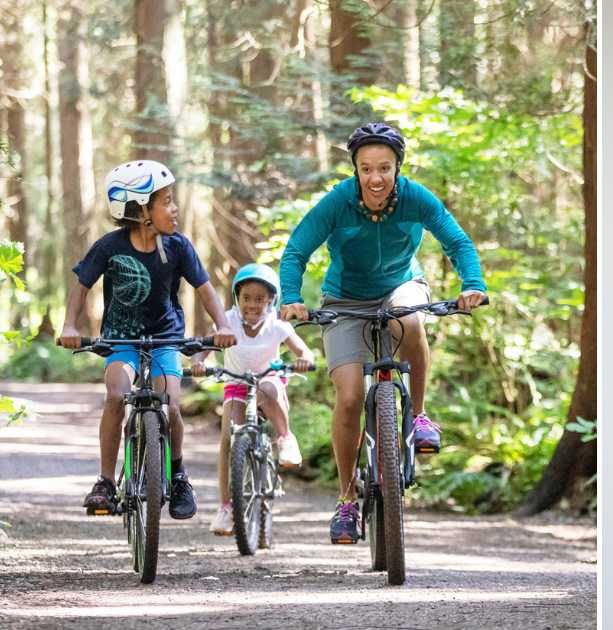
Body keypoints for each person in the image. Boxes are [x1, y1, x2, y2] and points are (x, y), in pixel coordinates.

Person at [278, 122, 487, 544]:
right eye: (367, 168)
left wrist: (473, 284)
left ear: (397, 169)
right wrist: (292, 297)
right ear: (355, 169)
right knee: (351, 395)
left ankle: (420, 415)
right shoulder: (338, 202)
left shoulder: (414, 198)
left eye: (385, 168)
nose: (376, 178)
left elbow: (457, 242)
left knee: (409, 318)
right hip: (344, 300)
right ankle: (346, 500)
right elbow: (298, 249)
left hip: (400, 288)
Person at [57, 159, 237, 520]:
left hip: (165, 338)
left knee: (170, 403)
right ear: (141, 210)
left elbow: (205, 289)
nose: (174, 208)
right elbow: (81, 286)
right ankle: (106, 481)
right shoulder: (109, 247)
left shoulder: (178, 247)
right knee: (115, 394)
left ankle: (179, 473)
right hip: (120, 340)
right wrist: (70, 326)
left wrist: (222, 325)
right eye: (166, 201)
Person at [191, 263, 315, 536]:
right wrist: (199, 362)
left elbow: (303, 350)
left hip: (268, 381)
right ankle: (227, 508)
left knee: (269, 390)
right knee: (228, 437)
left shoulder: (277, 325)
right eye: (246, 298)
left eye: (260, 299)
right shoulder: (228, 321)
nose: (252, 304)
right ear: (238, 298)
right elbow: (205, 347)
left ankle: (285, 438)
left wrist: (304, 359)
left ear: (271, 300)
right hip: (236, 383)